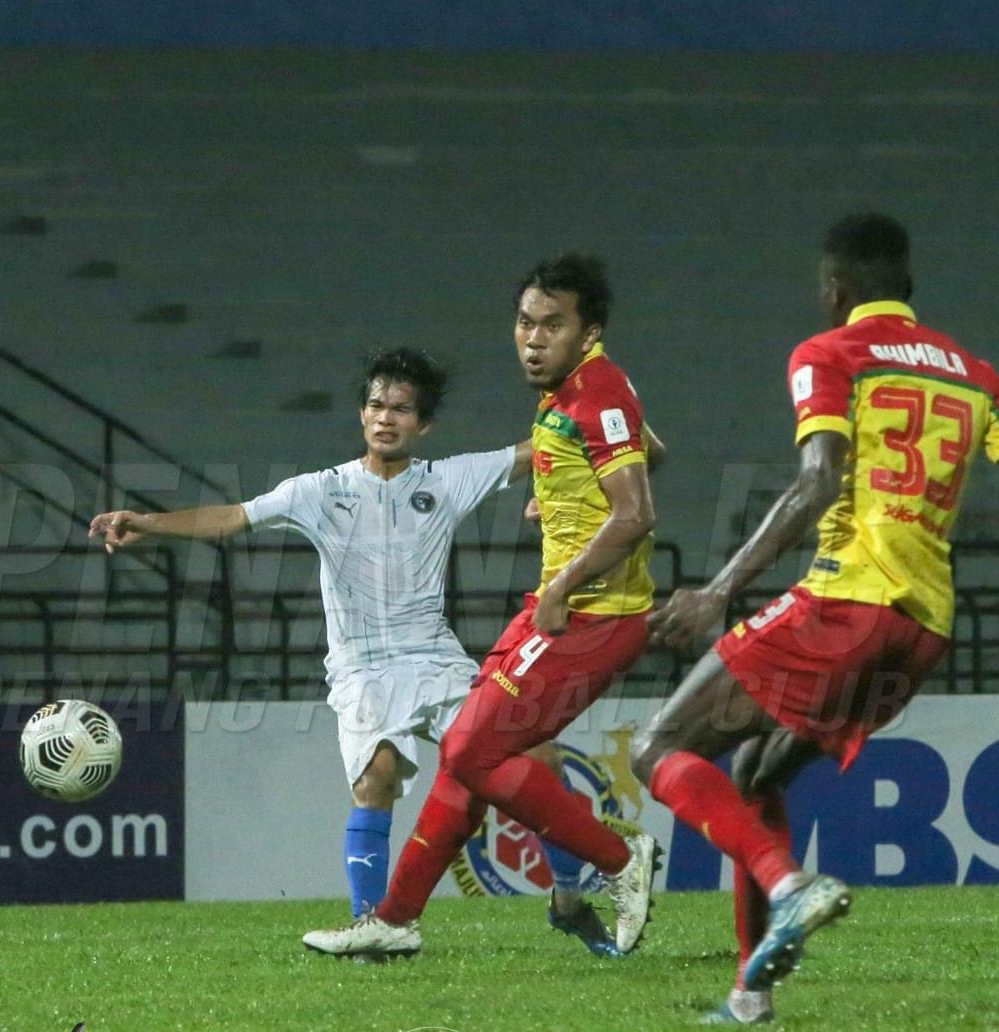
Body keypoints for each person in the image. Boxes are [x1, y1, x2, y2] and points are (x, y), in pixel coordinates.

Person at [632, 213, 999, 1024]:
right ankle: (750, 995)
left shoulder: (831, 353)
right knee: (758, 774)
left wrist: (719, 588)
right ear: (906, 287)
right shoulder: (973, 374)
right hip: (924, 630)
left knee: (657, 747)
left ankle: (789, 884)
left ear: (834, 291)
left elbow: (817, 483)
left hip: (849, 602)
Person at [89, 347, 628, 954]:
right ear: (361, 414)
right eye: (375, 405)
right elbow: (234, 518)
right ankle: (374, 927)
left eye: (401, 408)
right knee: (377, 776)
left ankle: (568, 902)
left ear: (422, 425)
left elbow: (552, 450)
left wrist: (573, 471)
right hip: (363, 667)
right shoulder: (320, 490)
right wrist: (147, 523)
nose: (385, 417)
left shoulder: (447, 480)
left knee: (540, 759)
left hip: (434, 657)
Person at [305, 253, 663, 959]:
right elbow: (651, 452)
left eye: (552, 326)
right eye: (525, 322)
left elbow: (635, 513)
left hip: (593, 616)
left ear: (589, 333)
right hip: (559, 607)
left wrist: (563, 584)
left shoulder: (597, 394)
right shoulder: (572, 393)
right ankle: (395, 918)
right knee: (474, 752)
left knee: (471, 747)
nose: (532, 339)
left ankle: (620, 860)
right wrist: (562, 492)